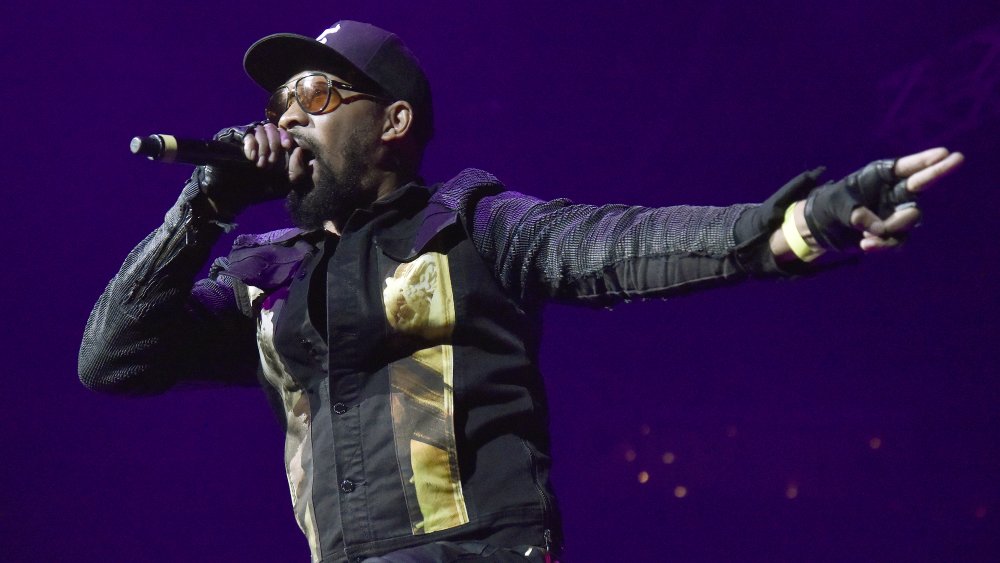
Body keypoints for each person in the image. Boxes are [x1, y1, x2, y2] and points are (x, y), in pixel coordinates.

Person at [78, 20, 964, 563]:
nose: (286, 117)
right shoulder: (265, 274)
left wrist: (802, 221)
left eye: (314, 93)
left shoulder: (476, 224)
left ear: (392, 122)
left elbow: (627, 244)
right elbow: (113, 358)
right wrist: (206, 201)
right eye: (278, 103)